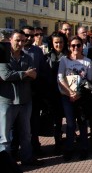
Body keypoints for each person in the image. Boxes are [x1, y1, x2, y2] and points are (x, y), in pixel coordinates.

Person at [0, 30, 43, 166]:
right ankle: (5, 163)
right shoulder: (3, 56)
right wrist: (25, 74)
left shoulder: (27, 57)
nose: (20, 43)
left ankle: (27, 158)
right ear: (10, 40)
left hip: (25, 101)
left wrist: (17, 75)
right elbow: (5, 76)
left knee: (26, 133)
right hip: (7, 101)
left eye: (23, 41)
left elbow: (34, 75)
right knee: (5, 136)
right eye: (17, 40)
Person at [58, 35, 92, 161]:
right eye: (73, 45)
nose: (76, 48)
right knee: (71, 124)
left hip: (81, 97)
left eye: (78, 45)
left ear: (82, 46)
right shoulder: (64, 60)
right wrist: (70, 93)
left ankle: (84, 148)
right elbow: (60, 78)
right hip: (67, 96)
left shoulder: (87, 61)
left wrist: (78, 94)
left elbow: (88, 80)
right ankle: (69, 149)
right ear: (69, 47)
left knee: (83, 123)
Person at [20, 25, 48, 155]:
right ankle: (15, 150)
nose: (30, 38)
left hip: (34, 92)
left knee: (34, 121)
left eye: (32, 35)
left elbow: (43, 70)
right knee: (17, 124)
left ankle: (35, 146)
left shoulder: (37, 51)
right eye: (27, 35)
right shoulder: (15, 50)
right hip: (18, 92)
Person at [45, 32, 69, 153]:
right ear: (52, 43)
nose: (59, 45)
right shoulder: (48, 56)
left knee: (70, 119)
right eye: (56, 42)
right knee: (57, 120)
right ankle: (57, 142)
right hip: (53, 93)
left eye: (61, 42)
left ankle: (70, 142)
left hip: (67, 92)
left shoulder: (69, 56)